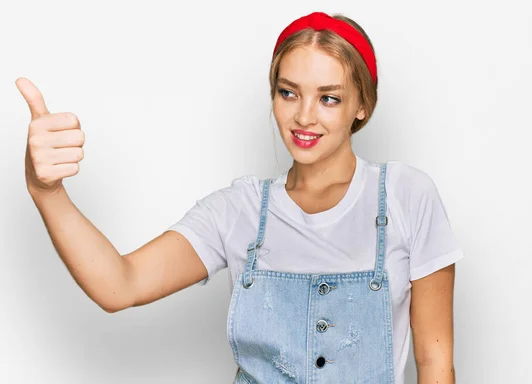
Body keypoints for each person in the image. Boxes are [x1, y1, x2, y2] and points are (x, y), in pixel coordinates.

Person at [17, 11, 464, 384]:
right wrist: (46, 191)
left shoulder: (406, 197)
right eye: (288, 92)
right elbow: (120, 284)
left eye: (329, 98)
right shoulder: (240, 210)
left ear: (361, 105)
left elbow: (435, 362)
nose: (303, 116)